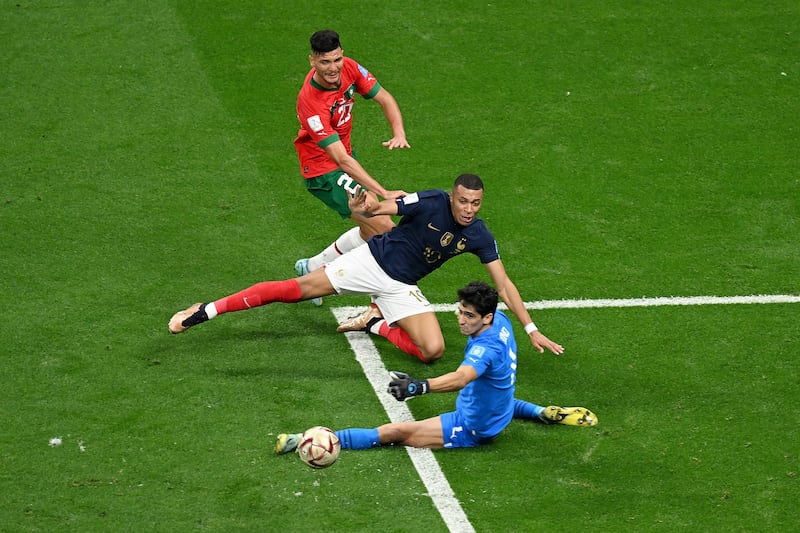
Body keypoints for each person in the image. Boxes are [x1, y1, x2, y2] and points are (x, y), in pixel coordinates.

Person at [168, 173, 564, 363]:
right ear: (453, 196)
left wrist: (531, 328)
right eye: (463, 201)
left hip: (401, 286)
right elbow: (386, 208)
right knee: (297, 289)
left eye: (475, 204)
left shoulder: (479, 234)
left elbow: (504, 283)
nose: (468, 209)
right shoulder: (429, 201)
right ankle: (207, 310)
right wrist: (366, 207)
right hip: (371, 262)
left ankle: (374, 323)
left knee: (433, 351)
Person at [274, 282, 597, 456]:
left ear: (485, 318)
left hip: (476, 427)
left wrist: (419, 387)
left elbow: (461, 378)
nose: (460, 319)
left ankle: (311, 440)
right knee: (496, 397)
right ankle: (542, 412)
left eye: (469, 316)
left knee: (397, 433)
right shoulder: (500, 320)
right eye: (460, 311)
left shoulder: (486, 348)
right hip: (497, 403)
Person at [292, 29, 410, 305]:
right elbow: (340, 161)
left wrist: (399, 132)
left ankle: (311, 269)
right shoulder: (310, 102)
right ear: (312, 61)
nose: (333, 68)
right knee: (384, 227)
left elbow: (385, 98)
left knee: (371, 232)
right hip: (324, 171)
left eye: (337, 60)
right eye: (325, 62)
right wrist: (384, 191)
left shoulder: (350, 67)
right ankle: (383, 298)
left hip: (344, 159)